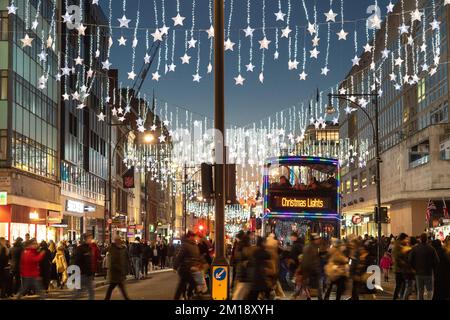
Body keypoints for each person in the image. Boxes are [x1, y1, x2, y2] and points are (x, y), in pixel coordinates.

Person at [173, 231, 204, 300]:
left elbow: (197, 256)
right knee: (192, 283)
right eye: (193, 236)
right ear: (189, 237)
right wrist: (175, 266)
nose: (194, 238)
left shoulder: (194, 245)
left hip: (191, 267)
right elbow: (180, 256)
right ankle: (190, 296)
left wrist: (199, 263)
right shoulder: (186, 245)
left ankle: (187, 296)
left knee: (183, 285)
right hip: (185, 268)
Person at [409, 233, 439, 300]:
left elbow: (410, 260)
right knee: (429, 290)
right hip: (428, 272)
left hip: (418, 273)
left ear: (420, 239)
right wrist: (433, 268)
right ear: (427, 239)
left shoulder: (415, 248)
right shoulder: (431, 249)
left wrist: (414, 268)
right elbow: (437, 261)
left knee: (420, 291)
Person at [104, 236, 130, 300]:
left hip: (118, 273)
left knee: (117, 287)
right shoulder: (113, 249)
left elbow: (124, 259)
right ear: (116, 241)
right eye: (118, 240)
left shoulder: (121, 248)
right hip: (115, 273)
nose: (120, 241)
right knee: (114, 287)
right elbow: (113, 262)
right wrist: (120, 268)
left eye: (120, 240)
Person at [232, 233, 253, 300]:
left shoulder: (239, 247)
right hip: (246, 275)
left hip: (242, 274)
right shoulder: (249, 249)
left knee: (238, 296)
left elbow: (237, 257)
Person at [301, 234, 323, 300]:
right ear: (314, 240)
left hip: (314, 269)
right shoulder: (309, 248)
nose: (319, 240)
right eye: (317, 239)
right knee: (310, 285)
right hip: (311, 270)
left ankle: (317, 297)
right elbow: (306, 260)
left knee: (314, 285)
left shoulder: (315, 247)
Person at [73, 234, 95, 300]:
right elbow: (77, 261)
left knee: (90, 292)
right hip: (82, 274)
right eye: (89, 238)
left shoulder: (89, 248)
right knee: (79, 292)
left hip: (88, 274)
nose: (91, 240)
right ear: (85, 239)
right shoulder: (80, 249)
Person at [392, 233, 408, 300]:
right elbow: (397, 257)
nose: (406, 240)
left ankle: (400, 296)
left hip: (399, 268)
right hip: (399, 269)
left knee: (401, 284)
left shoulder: (399, 245)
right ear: (402, 238)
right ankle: (397, 297)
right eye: (405, 239)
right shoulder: (398, 245)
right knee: (400, 284)